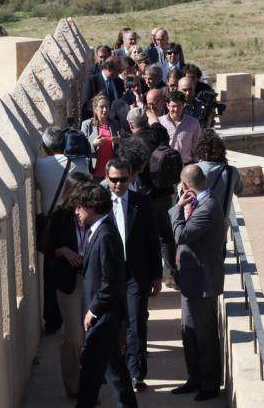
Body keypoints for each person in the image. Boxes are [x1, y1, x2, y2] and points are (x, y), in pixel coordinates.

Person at [72, 181, 138, 408]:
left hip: (103, 318)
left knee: (90, 372)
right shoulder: (99, 232)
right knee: (114, 373)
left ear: (91, 207)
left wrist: (93, 310)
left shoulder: (106, 235)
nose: (76, 212)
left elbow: (110, 282)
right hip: (103, 317)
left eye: (79, 207)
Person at [168, 165, 225, 401]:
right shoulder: (203, 202)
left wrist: (177, 209)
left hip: (203, 282)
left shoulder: (207, 207)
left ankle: (210, 384)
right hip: (191, 279)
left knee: (205, 336)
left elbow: (181, 235)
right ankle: (196, 378)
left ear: (185, 186)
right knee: (189, 333)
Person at [105, 157, 161, 391]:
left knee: (136, 323)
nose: (119, 185)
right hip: (109, 275)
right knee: (111, 325)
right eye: (114, 180)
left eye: (123, 180)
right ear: (107, 179)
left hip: (136, 274)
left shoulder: (142, 203)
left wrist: (157, 275)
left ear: (131, 178)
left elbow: (152, 240)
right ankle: (112, 372)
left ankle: (136, 373)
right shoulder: (100, 204)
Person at [35, 127, 92, 335]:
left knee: (50, 272)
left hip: (53, 225)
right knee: (79, 270)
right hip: (77, 222)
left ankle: (53, 320)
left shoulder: (39, 166)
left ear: (45, 147)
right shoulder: (81, 163)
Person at [49, 172, 97, 399]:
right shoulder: (60, 217)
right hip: (69, 283)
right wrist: (63, 251)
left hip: (91, 281)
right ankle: (73, 384)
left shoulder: (94, 214)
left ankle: (87, 387)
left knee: (90, 337)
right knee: (74, 338)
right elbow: (49, 251)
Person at [127, 108, 177, 285]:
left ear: (131, 124)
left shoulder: (131, 143)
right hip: (164, 192)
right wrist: (147, 110)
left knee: (146, 237)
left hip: (144, 196)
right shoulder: (159, 134)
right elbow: (157, 123)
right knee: (166, 235)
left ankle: (149, 276)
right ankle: (170, 275)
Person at [195, 131, 243, 232]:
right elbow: (240, 191)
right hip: (220, 229)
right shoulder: (231, 171)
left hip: (196, 227)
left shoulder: (193, 170)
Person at [81, 94, 121, 180]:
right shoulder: (86, 125)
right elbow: (82, 148)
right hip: (94, 173)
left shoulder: (114, 124)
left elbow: (118, 150)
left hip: (111, 172)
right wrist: (93, 145)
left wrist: (119, 142)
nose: (105, 109)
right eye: (101, 107)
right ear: (95, 109)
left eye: (107, 106)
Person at [159, 91, 201, 166]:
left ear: (184, 105)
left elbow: (197, 145)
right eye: (173, 106)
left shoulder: (193, 123)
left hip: (186, 165)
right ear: (167, 106)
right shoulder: (160, 123)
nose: (176, 109)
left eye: (179, 106)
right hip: (165, 165)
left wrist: (196, 164)